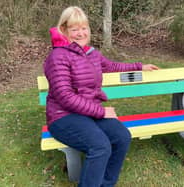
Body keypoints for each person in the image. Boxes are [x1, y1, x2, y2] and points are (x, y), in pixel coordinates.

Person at [44, 6, 159, 187]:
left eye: (84, 28)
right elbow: (65, 96)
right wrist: (101, 112)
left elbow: (112, 66)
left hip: (89, 114)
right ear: (64, 30)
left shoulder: (92, 54)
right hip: (63, 117)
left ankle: (105, 184)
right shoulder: (58, 57)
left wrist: (139, 66)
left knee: (122, 137)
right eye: (75, 29)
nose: (80, 33)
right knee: (100, 146)